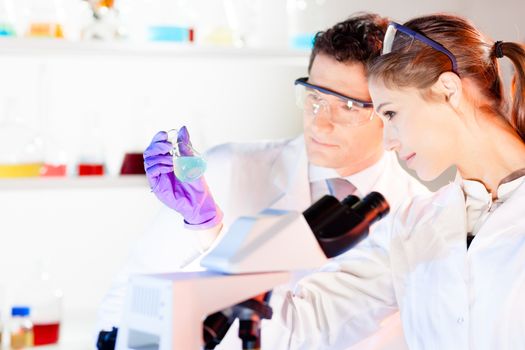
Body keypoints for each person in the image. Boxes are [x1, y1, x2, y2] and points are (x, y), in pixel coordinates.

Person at [96, 13, 428, 349]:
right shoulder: (229, 169)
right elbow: (128, 296)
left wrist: (213, 236)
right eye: (314, 97)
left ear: (389, 111)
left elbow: (305, 332)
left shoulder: (416, 215)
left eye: (347, 107)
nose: (320, 123)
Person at [280, 13, 525, 349]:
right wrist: (214, 235)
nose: (388, 142)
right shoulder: (411, 226)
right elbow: (301, 324)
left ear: (447, 90)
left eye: (391, 114)